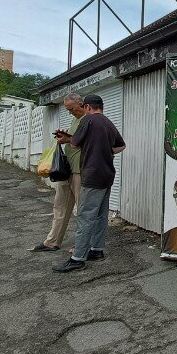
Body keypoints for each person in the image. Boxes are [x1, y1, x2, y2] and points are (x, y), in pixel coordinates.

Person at [52, 93, 125, 272]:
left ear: (87, 107)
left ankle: (77, 258)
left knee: (85, 216)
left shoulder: (88, 120)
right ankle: (97, 250)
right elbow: (121, 146)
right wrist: (106, 151)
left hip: (92, 175)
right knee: (100, 215)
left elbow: (75, 144)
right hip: (107, 175)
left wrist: (67, 138)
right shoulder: (108, 122)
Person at [29, 93, 86, 253]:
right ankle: (52, 241)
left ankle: (82, 244)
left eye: (72, 109)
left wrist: (69, 139)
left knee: (83, 209)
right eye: (67, 110)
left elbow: (91, 142)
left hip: (80, 170)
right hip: (66, 170)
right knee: (60, 207)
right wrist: (65, 136)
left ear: (81, 103)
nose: (70, 112)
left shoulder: (89, 120)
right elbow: (74, 139)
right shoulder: (75, 119)